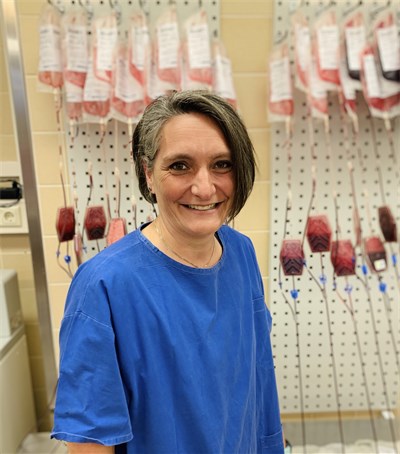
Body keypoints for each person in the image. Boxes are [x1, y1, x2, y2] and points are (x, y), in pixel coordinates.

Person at [51, 90, 284, 454]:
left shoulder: (242, 253)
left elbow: (259, 385)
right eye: (179, 166)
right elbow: (90, 441)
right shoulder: (104, 286)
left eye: (222, 164)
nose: (204, 187)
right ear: (148, 174)